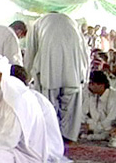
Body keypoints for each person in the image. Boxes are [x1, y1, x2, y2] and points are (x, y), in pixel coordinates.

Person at [25, 12, 89, 142]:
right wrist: (84, 76)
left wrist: (26, 76)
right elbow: (84, 51)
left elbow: (31, 51)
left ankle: (49, 138)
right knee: (70, 105)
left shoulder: (38, 23)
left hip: (49, 67)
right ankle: (68, 137)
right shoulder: (72, 22)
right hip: (73, 69)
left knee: (48, 104)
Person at [10, 65, 70, 163]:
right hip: (43, 146)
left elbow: (17, 132)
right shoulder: (28, 95)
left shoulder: (24, 98)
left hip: (44, 150)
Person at [81, 71, 116, 140]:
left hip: (113, 128)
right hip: (98, 128)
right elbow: (86, 114)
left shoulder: (115, 97)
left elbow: (111, 121)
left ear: (101, 85)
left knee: (110, 133)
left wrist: (91, 126)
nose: (89, 86)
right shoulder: (93, 94)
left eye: (92, 83)